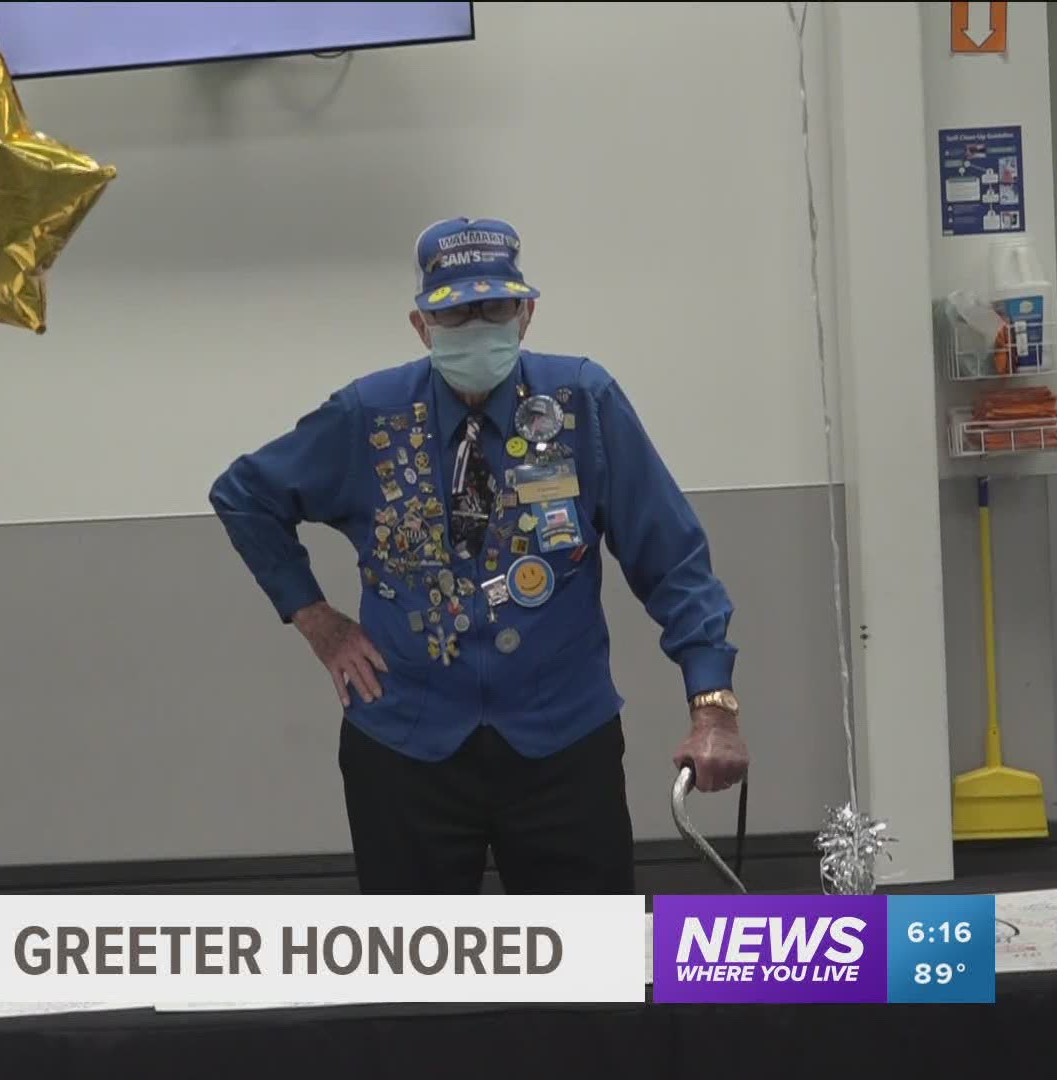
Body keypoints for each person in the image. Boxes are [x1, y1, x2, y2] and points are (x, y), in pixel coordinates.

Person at [207, 217, 749, 895]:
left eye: (494, 307)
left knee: (584, 977)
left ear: (525, 315)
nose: (476, 326)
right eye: (454, 312)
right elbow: (244, 495)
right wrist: (316, 619)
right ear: (421, 325)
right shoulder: (369, 415)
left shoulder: (583, 404)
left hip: (561, 740)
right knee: (419, 983)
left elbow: (673, 559)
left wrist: (713, 705)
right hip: (407, 744)